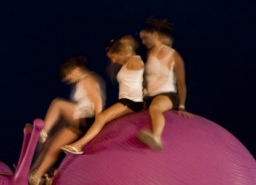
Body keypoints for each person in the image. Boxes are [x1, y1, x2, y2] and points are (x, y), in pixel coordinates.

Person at [30, 56, 105, 185]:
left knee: (57, 103)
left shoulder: (88, 79)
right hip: (79, 121)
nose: (67, 79)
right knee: (54, 147)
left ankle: (44, 132)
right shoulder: (81, 82)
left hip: (87, 118)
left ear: (75, 70)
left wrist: (98, 123)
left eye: (68, 75)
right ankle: (36, 176)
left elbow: (98, 102)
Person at [62, 36, 145, 155]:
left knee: (101, 117)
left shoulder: (135, 60)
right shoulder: (128, 63)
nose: (113, 61)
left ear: (121, 51)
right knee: (103, 120)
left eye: (113, 57)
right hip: (127, 101)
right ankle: (84, 142)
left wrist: (121, 43)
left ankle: (79, 145)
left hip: (132, 102)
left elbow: (129, 43)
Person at [136, 17, 188, 151]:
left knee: (156, 108)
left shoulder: (174, 56)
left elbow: (181, 83)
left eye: (145, 37)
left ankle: (156, 137)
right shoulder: (150, 53)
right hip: (150, 96)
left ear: (154, 34)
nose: (143, 41)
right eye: (141, 38)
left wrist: (181, 106)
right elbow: (147, 78)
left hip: (167, 95)